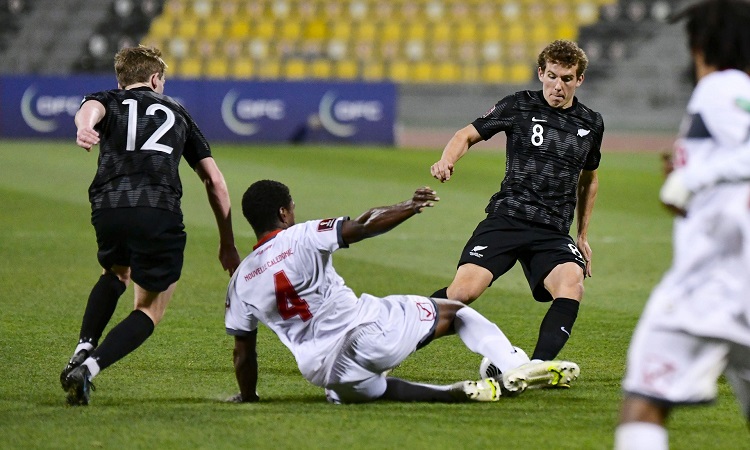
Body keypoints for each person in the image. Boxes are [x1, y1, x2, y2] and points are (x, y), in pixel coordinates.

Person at [224, 180, 580, 404]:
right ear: (284, 212)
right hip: (365, 331)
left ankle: (454, 394)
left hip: (324, 372)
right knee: (454, 311)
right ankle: (515, 364)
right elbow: (361, 225)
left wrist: (249, 396)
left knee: (381, 389)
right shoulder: (300, 235)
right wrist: (408, 207)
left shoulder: (240, 281)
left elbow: (243, 353)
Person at [60, 45, 241, 406]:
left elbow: (89, 111)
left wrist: (83, 128)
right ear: (156, 79)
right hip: (158, 210)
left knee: (114, 272)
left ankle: (82, 347)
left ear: (120, 79)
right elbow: (215, 182)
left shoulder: (107, 99)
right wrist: (227, 242)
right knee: (148, 308)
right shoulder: (177, 112)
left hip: (108, 207)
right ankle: (90, 368)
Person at [615, 1, 750, 448]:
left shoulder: (723, 86)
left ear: (701, 42)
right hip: (730, 271)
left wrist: (692, 178)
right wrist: (686, 185)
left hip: (715, 279)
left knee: (644, 403)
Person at [429, 39, 604, 365]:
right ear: (540, 73)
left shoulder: (591, 123)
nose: (558, 86)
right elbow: (466, 134)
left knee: (572, 285)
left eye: (567, 79)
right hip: (508, 218)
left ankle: (537, 367)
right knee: (462, 293)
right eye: (552, 76)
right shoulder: (518, 105)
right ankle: (393, 331)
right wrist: (447, 159)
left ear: (579, 80)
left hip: (552, 231)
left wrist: (582, 235)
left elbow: (589, 179)